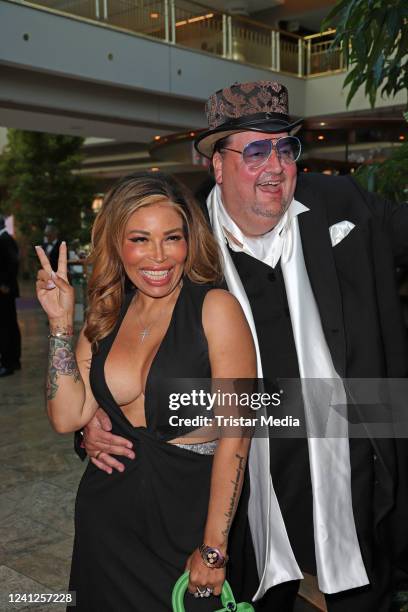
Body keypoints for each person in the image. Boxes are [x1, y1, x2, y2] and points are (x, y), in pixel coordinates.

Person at [83, 82, 408, 612]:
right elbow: (117, 332)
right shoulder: (178, 234)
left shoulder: (340, 205)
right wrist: (99, 415)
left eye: (285, 149)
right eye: (255, 151)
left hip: (347, 472)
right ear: (216, 163)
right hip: (240, 492)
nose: (274, 166)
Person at [35, 171, 256, 611]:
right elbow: (67, 415)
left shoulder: (216, 309)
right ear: (118, 245)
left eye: (172, 238)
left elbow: (238, 433)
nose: (159, 256)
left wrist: (215, 547)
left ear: (189, 242)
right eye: (140, 239)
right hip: (107, 519)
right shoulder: (107, 311)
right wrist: (61, 324)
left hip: (187, 521)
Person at [0, 214, 21, 376]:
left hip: (5, 291)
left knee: (6, 327)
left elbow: (13, 262)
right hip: (5, 290)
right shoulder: (5, 238)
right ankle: (13, 360)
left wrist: (5, 284)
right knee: (9, 325)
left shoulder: (5, 239)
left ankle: (9, 363)